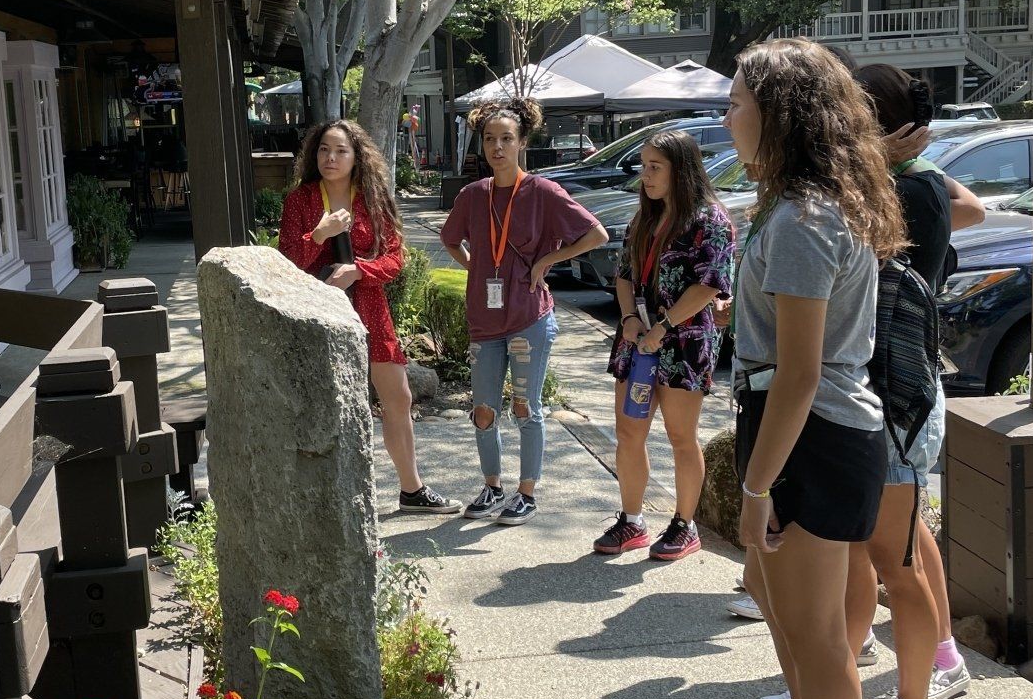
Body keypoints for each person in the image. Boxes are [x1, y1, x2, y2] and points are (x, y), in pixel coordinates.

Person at [750, 66, 987, 699]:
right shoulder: (885, 185)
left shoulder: (907, 189)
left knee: (897, 558)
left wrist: (878, 160)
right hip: (870, 394)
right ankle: (836, 684)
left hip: (893, 393)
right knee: (868, 551)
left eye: (850, 111)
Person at [722, 39, 905, 699]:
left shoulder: (803, 219)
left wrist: (755, 488)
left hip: (813, 435)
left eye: (736, 102)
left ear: (779, 115)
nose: (726, 117)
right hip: (802, 427)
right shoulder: (801, 208)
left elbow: (799, 375)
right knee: (783, 607)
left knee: (819, 634)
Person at [439, 99, 606, 525]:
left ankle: (526, 493)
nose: (497, 147)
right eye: (489, 139)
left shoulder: (543, 192)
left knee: (524, 408)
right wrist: (476, 267)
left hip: (529, 318)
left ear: (522, 142)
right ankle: (492, 487)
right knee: (483, 410)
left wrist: (547, 261)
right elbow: (450, 239)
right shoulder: (472, 195)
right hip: (485, 320)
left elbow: (596, 235)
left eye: (506, 139)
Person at [279, 120, 459, 514]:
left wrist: (359, 270)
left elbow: (394, 259)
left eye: (340, 150)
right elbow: (288, 261)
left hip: (369, 306)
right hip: (317, 310)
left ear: (356, 156)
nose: (330, 157)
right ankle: (321, 500)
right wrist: (320, 235)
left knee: (398, 397)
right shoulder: (301, 200)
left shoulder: (372, 199)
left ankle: (412, 490)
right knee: (324, 401)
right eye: (324, 149)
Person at [595, 129, 735, 560]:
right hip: (636, 341)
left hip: (684, 343)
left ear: (682, 170)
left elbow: (709, 285)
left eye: (655, 167)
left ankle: (684, 525)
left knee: (680, 436)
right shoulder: (644, 218)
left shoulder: (710, 220)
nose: (646, 175)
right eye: (644, 166)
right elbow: (624, 275)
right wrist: (629, 319)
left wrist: (663, 326)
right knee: (628, 430)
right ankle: (632, 520)